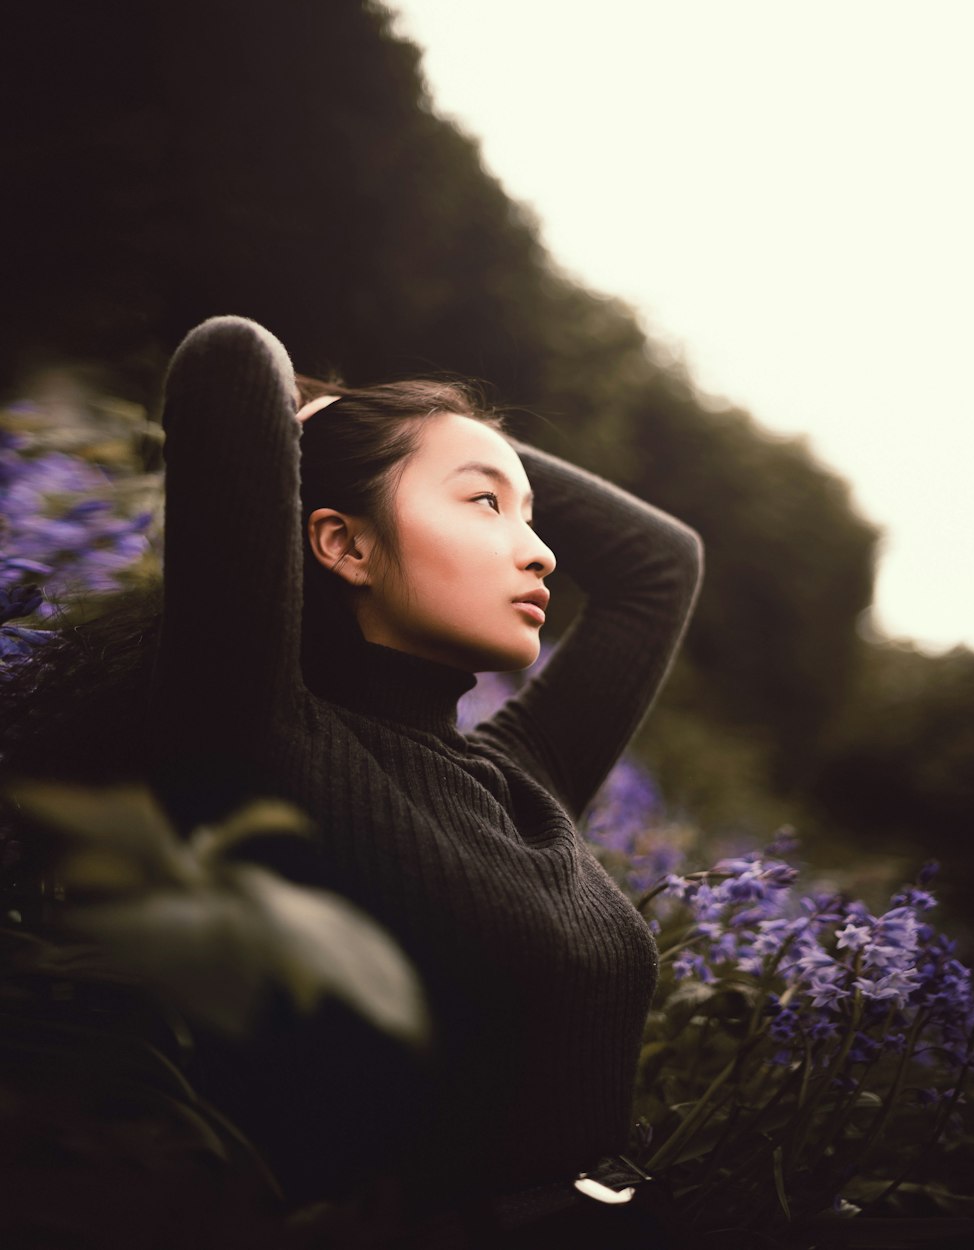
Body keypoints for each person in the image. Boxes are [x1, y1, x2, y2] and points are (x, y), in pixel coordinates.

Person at [149, 315, 703, 1247]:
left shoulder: (521, 776)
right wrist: (340, 419)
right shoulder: (264, 735)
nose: (542, 550)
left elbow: (660, 563)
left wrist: (466, 457)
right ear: (344, 545)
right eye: (485, 504)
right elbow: (229, 361)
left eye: (530, 514)